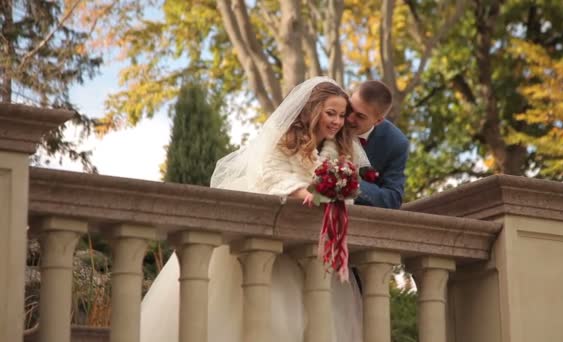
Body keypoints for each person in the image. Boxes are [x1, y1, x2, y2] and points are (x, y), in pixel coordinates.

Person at [140, 77, 367, 342]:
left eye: (341, 115)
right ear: (313, 109)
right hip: (273, 235)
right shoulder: (286, 138)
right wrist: (303, 192)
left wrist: (337, 194)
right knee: (268, 315)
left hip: (311, 243)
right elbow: (270, 172)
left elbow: (347, 191)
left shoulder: (336, 152)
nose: (337, 121)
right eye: (331, 113)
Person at [347, 80, 409, 209]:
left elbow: (392, 199)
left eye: (360, 116)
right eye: (350, 108)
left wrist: (351, 183)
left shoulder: (396, 143)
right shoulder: (331, 114)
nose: (349, 118)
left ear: (378, 120)